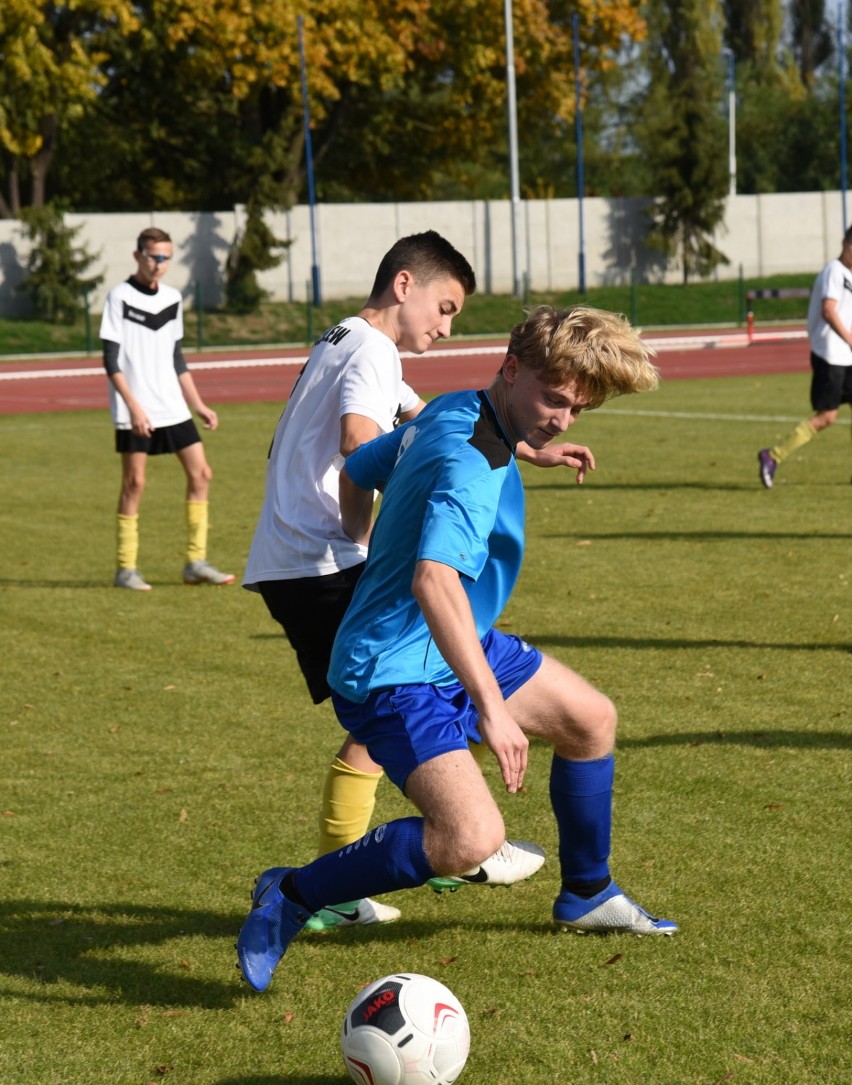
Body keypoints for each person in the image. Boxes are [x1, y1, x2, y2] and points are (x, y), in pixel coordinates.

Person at [236, 304, 679, 994]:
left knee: (590, 719)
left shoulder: (459, 408)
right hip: (392, 670)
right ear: (510, 369)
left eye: (576, 411)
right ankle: (293, 893)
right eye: (552, 399)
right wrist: (491, 707)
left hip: (449, 643)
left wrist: (360, 547)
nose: (562, 417)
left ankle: (587, 892)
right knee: (468, 839)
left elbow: (360, 465)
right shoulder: (470, 464)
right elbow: (433, 578)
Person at [244, 231, 590, 932]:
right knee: (393, 690)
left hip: (295, 554)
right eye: (446, 306)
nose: (446, 325)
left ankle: (438, 844)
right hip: (320, 559)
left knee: (408, 689)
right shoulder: (374, 348)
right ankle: (420, 857)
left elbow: (426, 424)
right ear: (404, 285)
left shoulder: (349, 336)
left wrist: (528, 450)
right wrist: (370, 538)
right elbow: (358, 443)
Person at [101, 227, 234, 590]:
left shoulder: (173, 299)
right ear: (137, 255)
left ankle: (195, 562)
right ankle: (125, 569)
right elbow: (110, 360)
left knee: (201, 474)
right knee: (135, 482)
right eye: (152, 256)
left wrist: (198, 404)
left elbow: (176, 359)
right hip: (136, 408)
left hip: (173, 407)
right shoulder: (119, 297)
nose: (159, 264)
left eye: (165, 258)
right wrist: (134, 408)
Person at [758, 228, 852, 487]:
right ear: (845, 242)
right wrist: (850, 339)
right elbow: (829, 310)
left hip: (846, 356)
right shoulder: (834, 270)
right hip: (831, 354)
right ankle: (773, 456)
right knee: (826, 417)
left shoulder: (849, 275)